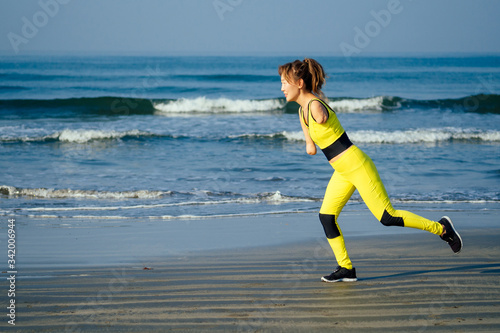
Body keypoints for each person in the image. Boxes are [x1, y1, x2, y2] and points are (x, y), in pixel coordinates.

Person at [278, 58, 463, 283]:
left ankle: (441, 228)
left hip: (357, 165)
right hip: (342, 171)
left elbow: (322, 117)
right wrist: (308, 134)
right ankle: (346, 268)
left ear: (299, 83)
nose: (281, 88)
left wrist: (318, 117)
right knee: (326, 217)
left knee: (387, 217)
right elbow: (311, 148)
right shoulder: (303, 112)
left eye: (284, 82)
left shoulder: (315, 106)